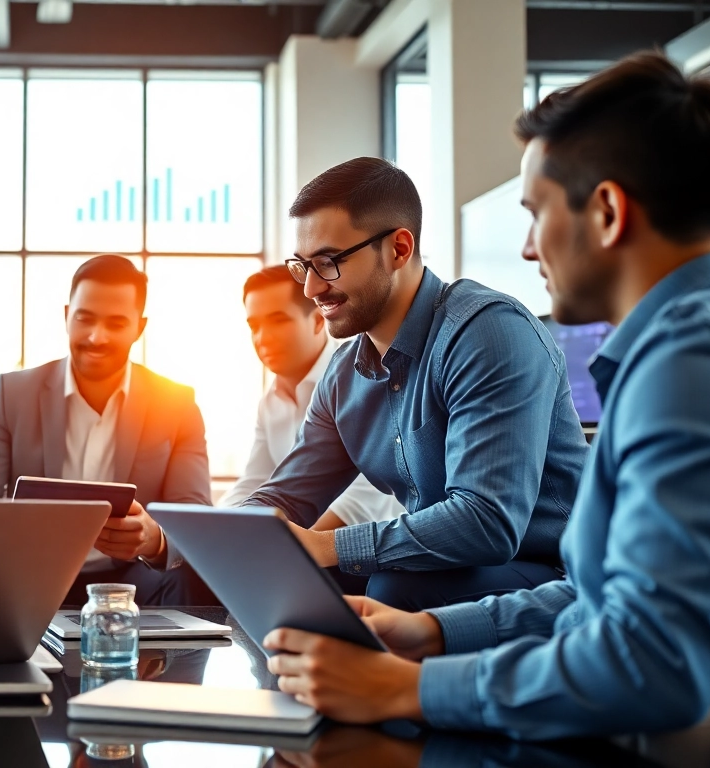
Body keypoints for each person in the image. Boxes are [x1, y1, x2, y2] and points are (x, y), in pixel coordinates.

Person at [262, 52, 710, 738]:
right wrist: (433, 634)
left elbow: (651, 660)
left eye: (535, 213)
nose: (527, 250)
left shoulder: (691, 363)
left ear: (605, 212)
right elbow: (592, 598)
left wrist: (415, 690)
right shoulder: (669, 352)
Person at [240, 156, 588, 613]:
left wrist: (324, 547)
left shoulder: (488, 333)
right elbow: (286, 496)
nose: (310, 289)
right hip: (459, 568)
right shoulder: (345, 373)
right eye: (302, 266)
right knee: (292, 578)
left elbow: (486, 523)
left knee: (392, 589)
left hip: (557, 572)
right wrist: (232, 536)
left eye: (327, 263)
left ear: (399, 249)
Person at [0, 254, 215, 606]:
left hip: (134, 579)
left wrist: (154, 539)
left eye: (116, 323)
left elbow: (195, 516)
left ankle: (173, 663)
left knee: (191, 574)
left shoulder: (177, 403)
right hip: (32, 575)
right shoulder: (12, 394)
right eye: (85, 319)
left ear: (139, 327)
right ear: (67, 317)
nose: (96, 337)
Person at [220, 265, 405, 526]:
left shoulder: (364, 381)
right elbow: (255, 481)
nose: (262, 338)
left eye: (278, 321)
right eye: (254, 325)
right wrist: (210, 528)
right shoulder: (270, 401)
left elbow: (363, 501)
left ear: (320, 320)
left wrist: (289, 555)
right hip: (303, 550)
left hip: (370, 554)